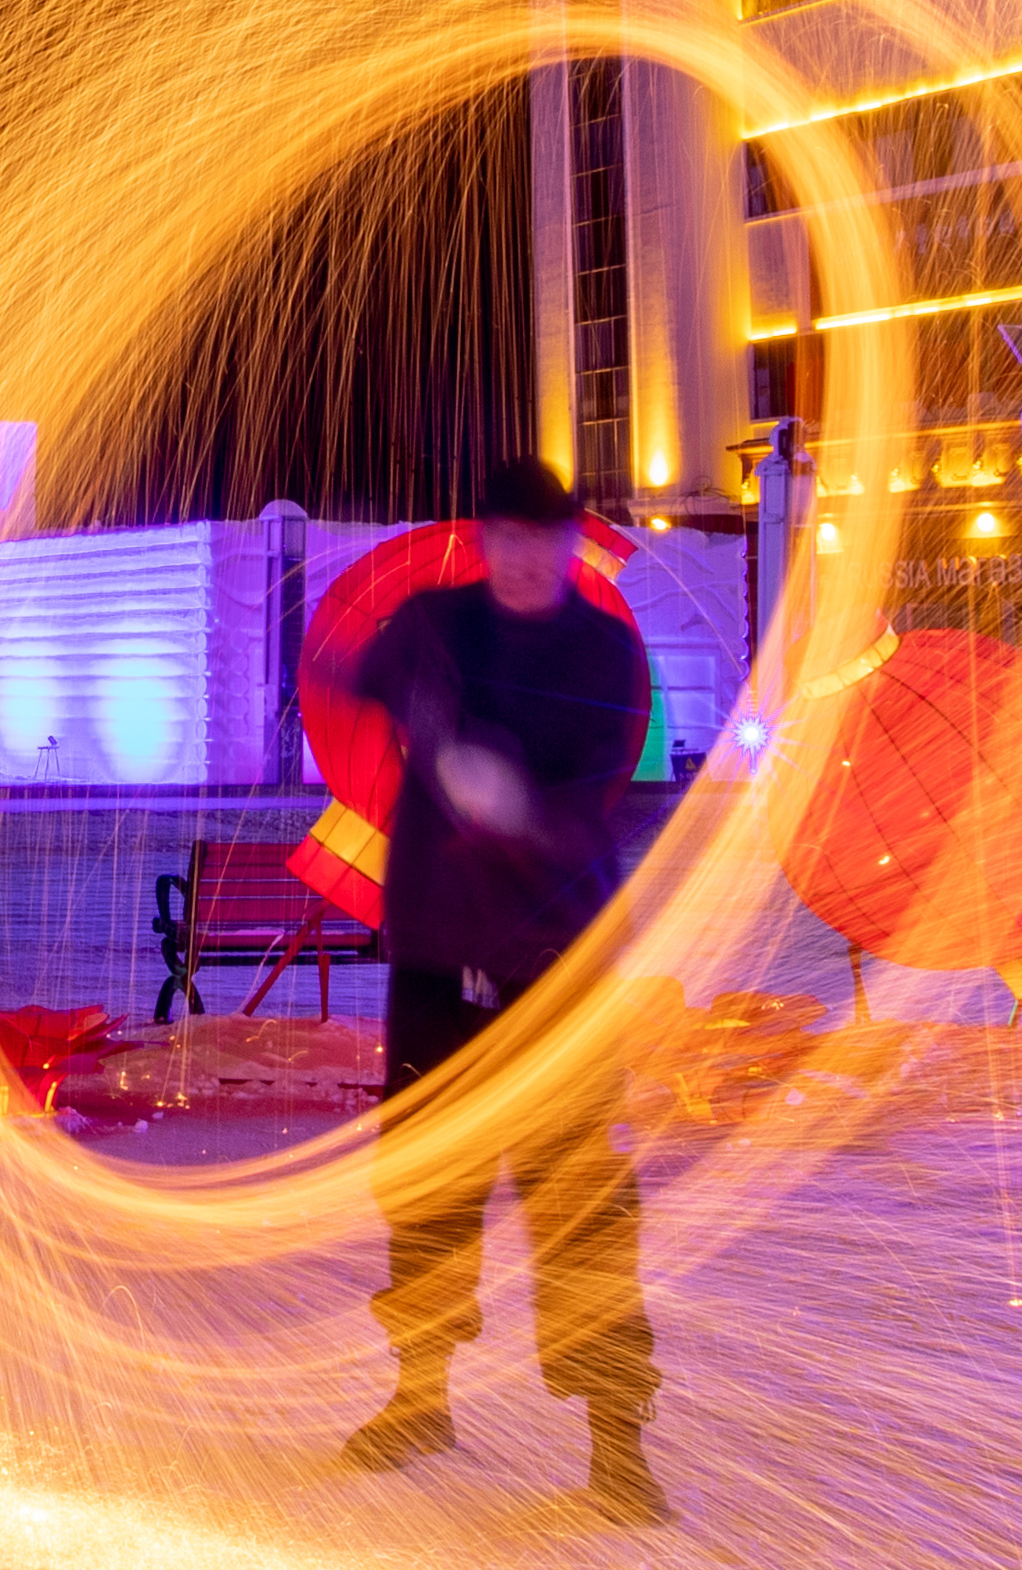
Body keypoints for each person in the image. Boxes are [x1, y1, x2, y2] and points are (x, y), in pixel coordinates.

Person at [334, 456, 666, 1525]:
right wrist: (401, 688)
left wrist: (507, 797)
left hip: (553, 970)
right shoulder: (436, 624)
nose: (526, 561)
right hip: (436, 962)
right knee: (427, 1188)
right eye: (507, 540)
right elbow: (355, 671)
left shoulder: (603, 649)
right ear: (484, 539)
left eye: (547, 541)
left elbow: (590, 799)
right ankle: (419, 1393)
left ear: (573, 546)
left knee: (579, 1204)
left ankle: (616, 1438)